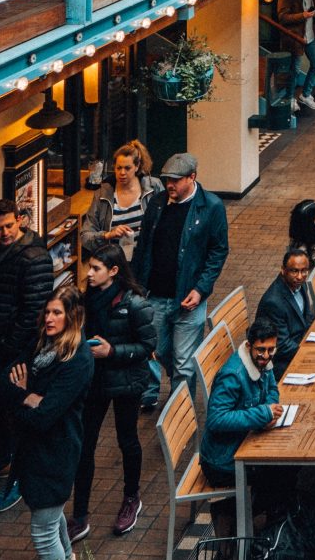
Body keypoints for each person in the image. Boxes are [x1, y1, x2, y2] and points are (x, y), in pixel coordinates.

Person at [71, 240, 158, 539]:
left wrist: (112, 352)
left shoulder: (134, 303)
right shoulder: (86, 299)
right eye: (89, 267)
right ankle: (79, 514)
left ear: (114, 270)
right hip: (95, 382)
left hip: (126, 382)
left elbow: (148, 346)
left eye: (95, 268)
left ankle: (131, 498)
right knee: (85, 445)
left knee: (127, 439)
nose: (89, 274)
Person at [5, 289, 95, 560]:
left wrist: (22, 394)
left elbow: (44, 416)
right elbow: (6, 380)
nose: (49, 318)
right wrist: (29, 398)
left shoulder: (77, 360)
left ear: (72, 315)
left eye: (57, 312)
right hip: (38, 453)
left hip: (55, 454)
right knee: (53, 522)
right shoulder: (43, 344)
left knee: (44, 531)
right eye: (47, 312)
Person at [0, 199, 55, 489]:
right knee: (0, 405)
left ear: (20, 220)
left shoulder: (33, 256)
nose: (4, 232)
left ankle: (17, 472)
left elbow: (33, 310)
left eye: (9, 225)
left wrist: (9, 345)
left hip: (12, 348)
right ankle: (1, 459)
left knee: (14, 405)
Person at [136, 152, 228, 389]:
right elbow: (144, 245)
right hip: (155, 296)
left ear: (192, 177)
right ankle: (176, 387)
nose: (170, 185)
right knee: (158, 350)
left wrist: (200, 289)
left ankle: (180, 421)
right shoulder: (157, 204)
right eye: (167, 179)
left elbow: (218, 251)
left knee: (185, 365)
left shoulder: (211, 207)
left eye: (175, 180)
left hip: (188, 298)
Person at [199, 316, 281, 544]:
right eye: (261, 350)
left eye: (271, 349)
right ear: (248, 346)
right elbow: (216, 419)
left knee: (281, 473)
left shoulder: (263, 363)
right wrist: (262, 414)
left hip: (243, 444)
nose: (266, 356)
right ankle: (253, 532)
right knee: (279, 473)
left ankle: (260, 524)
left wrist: (270, 409)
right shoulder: (233, 375)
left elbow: (272, 389)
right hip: (221, 460)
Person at [83, 140, 156, 256]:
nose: (122, 173)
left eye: (127, 168)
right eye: (119, 168)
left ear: (137, 167)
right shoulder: (102, 195)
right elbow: (85, 236)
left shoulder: (152, 188)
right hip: (114, 261)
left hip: (146, 260)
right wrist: (107, 235)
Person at [253, 246, 315, 371]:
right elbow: (281, 345)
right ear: (283, 270)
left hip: (299, 344)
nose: (300, 276)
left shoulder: (300, 285)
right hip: (282, 362)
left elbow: (307, 316)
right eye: (294, 271)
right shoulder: (273, 303)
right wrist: (310, 352)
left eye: (304, 271)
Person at [282, 0, 315, 111]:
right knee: (294, 70)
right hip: (297, 37)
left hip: (311, 35)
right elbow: (283, 17)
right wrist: (302, 15)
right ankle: (290, 98)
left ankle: (305, 94)